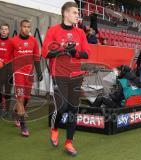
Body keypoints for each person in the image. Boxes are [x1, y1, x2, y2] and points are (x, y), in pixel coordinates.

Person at [42, 1, 90, 156]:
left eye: (77, 13)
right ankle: (54, 129)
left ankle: (69, 143)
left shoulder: (81, 33)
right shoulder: (53, 30)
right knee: (62, 108)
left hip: (76, 76)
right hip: (59, 75)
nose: (78, 15)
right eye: (75, 12)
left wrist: (74, 52)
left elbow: (86, 54)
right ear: (66, 13)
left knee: (73, 110)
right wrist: (62, 50)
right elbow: (45, 53)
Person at [11, 19, 43, 137]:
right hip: (18, 74)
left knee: (26, 98)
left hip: (29, 74)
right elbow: (10, 59)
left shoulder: (34, 41)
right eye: (24, 26)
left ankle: (16, 113)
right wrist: (9, 74)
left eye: (28, 27)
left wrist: (39, 72)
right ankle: (23, 126)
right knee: (20, 97)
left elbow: (36, 58)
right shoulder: (13, 41)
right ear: (20, 27)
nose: (27, 29)